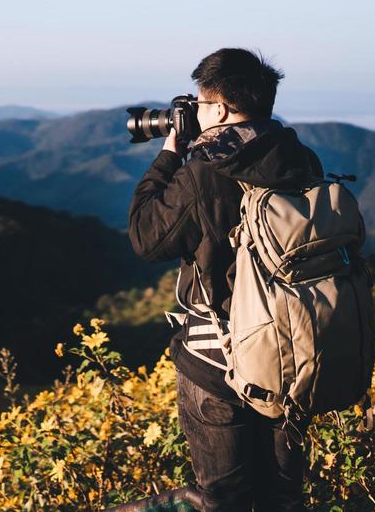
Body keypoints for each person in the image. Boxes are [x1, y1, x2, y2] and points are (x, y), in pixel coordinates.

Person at [126, 48, 324, 512]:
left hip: (219, 363)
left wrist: (168, 155)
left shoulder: (204, 171)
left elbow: (145, 238)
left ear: (220, 108)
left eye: (200, 103)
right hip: (293, 358)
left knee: (223, 501)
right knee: (282, 498)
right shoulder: (303, 161)